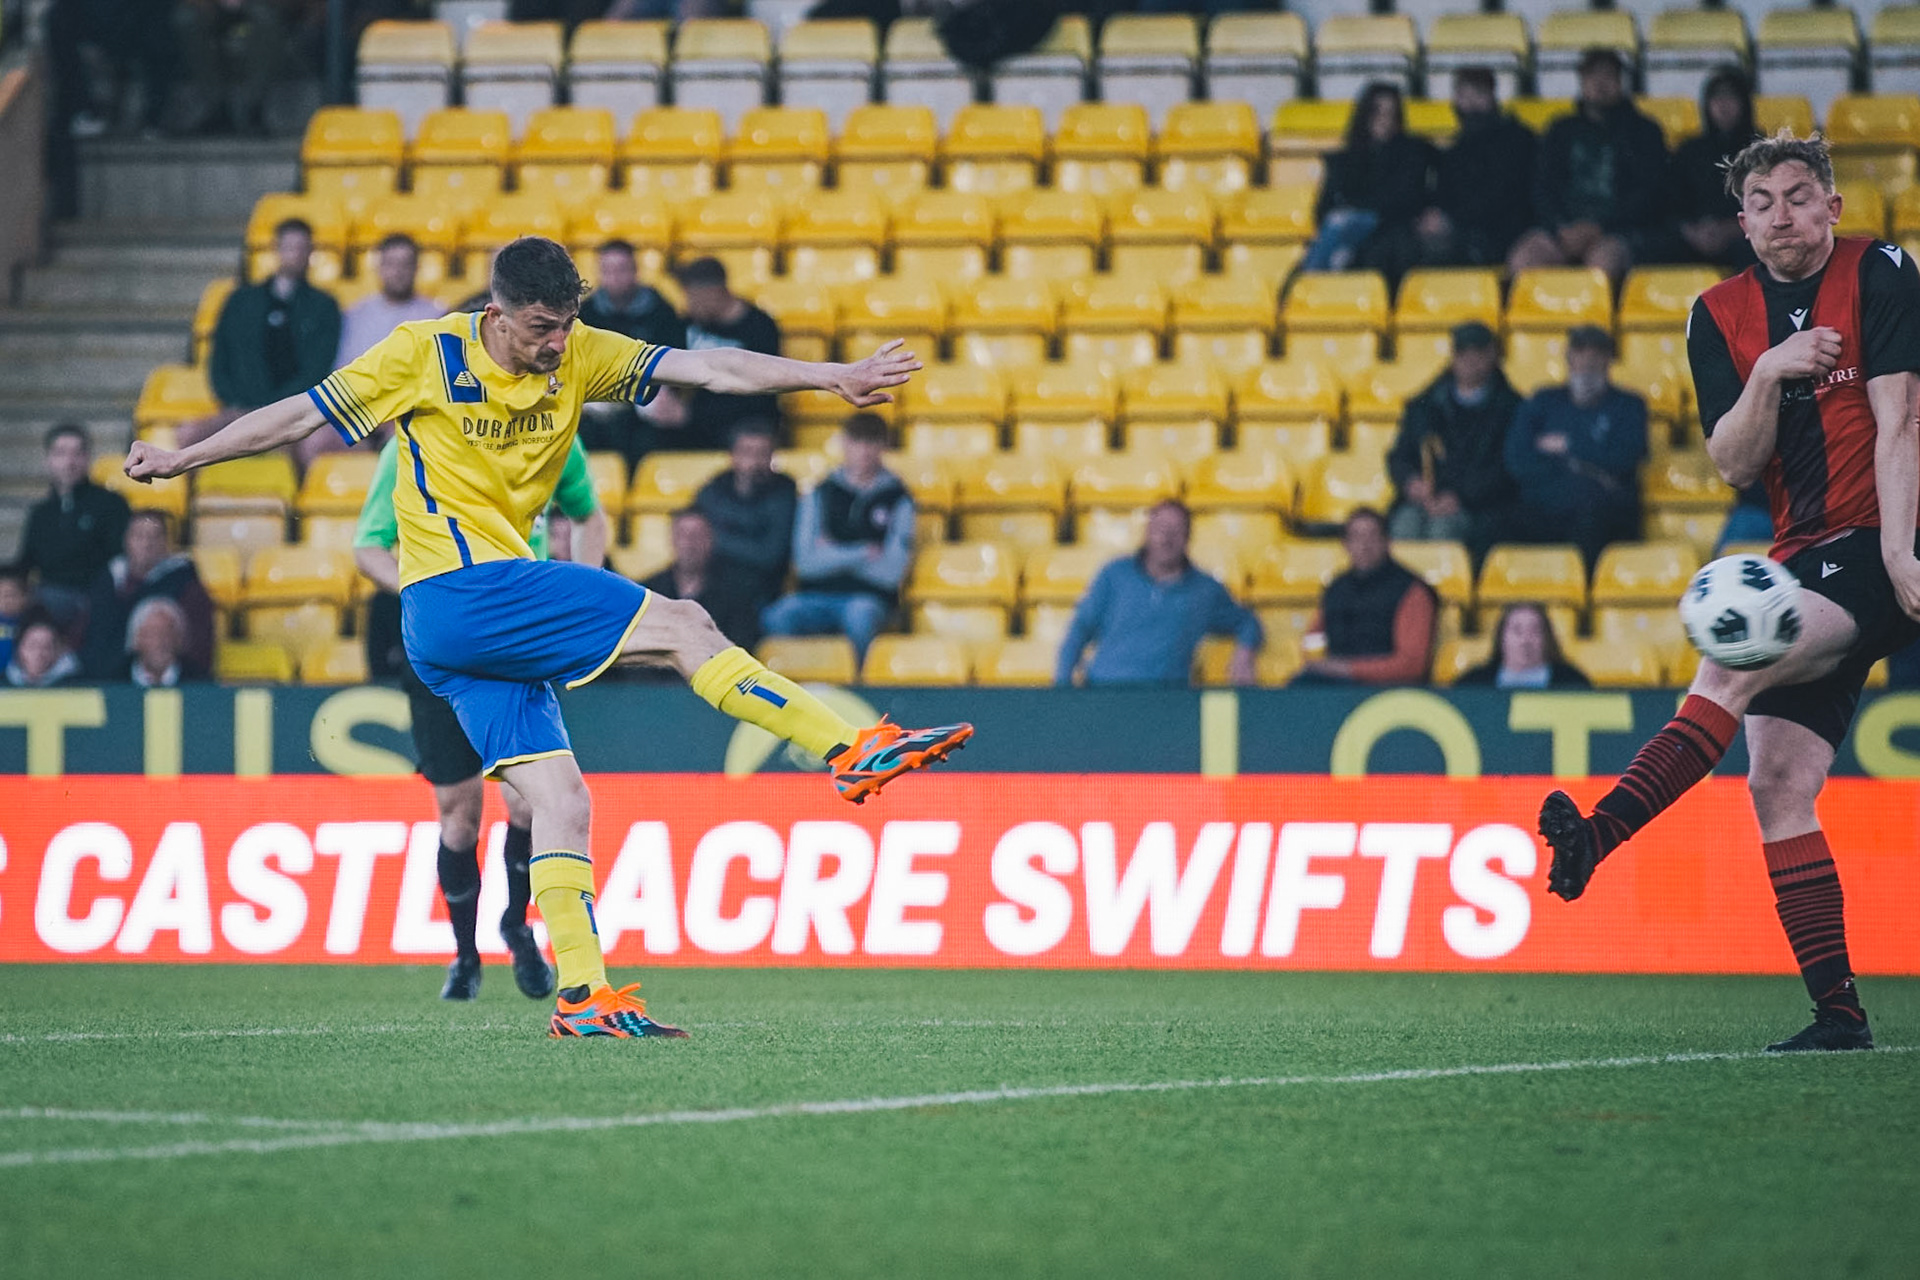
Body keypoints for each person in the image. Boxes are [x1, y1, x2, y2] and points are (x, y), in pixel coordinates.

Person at [128, 234, 973, 1038]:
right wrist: (179, 458)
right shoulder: (422, 353)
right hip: (464, 590)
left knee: (562, 801)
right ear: (497, 315)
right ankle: (848, 748)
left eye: (567, 324)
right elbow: (296, 416)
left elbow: (710, 367)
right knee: (685, 624)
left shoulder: (580, 352)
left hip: (460, 636)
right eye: (541, 328)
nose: (558, 344)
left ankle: (583, 995)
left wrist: (832, 378)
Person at [1536, 132, 1920, 1053]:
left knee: (1731, 663)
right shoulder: (1718, 315)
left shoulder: (1881, 270)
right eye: (1763, 202)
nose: (1782, 215)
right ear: (1742, 223)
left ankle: (1599, 835)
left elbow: (1901, 417)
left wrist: (1902, 552)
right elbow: (1733, 464)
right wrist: (1769, 371)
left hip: (1884, 536)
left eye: (1799, 196)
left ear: (1832, 205)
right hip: (1805, 551)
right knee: (1778, 784)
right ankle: (1840, 1015)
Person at [354, 431, 606, 1002]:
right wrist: (427, 591)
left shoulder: (553, 430)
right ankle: (466, 954)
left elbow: (589, 514)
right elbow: (369, 545)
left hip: (517, 639)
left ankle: (516, 924)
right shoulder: (415, 441)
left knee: (530, 802)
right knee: (459, 818)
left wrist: (582, 589)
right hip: (441, 642)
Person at [1055, 499, 1262, 686]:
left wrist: (1244, 653)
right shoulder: (1115, 574)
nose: (1166, 538)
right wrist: (1063, 687)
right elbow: (1080, 628)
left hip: (1166, 701)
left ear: (1188, 537)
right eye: (1159, 529)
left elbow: (1247, 622)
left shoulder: (1205, 590)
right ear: (1147, 532)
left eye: (1176, 531)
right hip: (1105, 692)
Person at [760, 412, 914, 662]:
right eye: (856, 441)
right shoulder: (820, 493)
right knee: (779, 615)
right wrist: (864, 552)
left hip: (870, 598)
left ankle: (862, 682)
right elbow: (805, 564)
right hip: (815, 595)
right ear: (844, 443)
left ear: (884, 446)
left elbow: (891, 572)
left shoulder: (899, 499)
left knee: (859, 616)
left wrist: (830, 551)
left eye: (871, 442)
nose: (863, 451)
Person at [1509, 48, 1668, 288]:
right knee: (1524, 260)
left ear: (1620, 82)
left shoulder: (1644, 131)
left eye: (1608, 75)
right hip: (1562, 230)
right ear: (1582, 81)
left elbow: (1650, 193)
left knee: (1602, 265)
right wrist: (1560, 228)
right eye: (1592, 75)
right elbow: (1542, 187)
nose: (1600, 83)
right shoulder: (1560, 130)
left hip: (1618, 230)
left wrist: (1600, 228)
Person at [182, 217, 341, 447]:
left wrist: (279, 407)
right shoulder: (240, 301)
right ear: (277, 249)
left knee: (312, 443)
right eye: (289, 247)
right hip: (240, 410)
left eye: (301, 248)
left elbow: (319, 366)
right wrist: (235, 402)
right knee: (188, 435)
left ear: (310, 252)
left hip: (293, 415)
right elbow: (219, 359)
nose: (295, 254)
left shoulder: (324, 306)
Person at [1504, 325, 1650, 568]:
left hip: (1602, 511)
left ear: (1608, 359)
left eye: (1596, 353)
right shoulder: (1543, 401)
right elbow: (1517, 457)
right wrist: (1588, 458)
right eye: (1580, 351)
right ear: (1569, 356)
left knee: (1591, 515)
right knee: (1502, 520)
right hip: (1545, 503)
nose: (1587, 360)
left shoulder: (1629, 405)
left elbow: (1626, 458)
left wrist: (1568, 445)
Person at [1385, 321, 1522, 556]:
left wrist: (1460, 497)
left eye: (1478, 352)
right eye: (1463, 352)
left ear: (1493, 355)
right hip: (1422, 502)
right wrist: (1411, 482)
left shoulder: (1512, 408)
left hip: (1480, 508)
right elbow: (1399, 456)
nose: (1470, 360)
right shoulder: (1424, 405)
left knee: (1443, 531)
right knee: (1403, 526)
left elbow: (1507, 468)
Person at [1303, 82, 1438, 287]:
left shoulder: (1411, 152)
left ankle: (1311, 281)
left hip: (1387, 225)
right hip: (1355, 223)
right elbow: (1323, 208)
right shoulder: (1345, 159)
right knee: (1338, 224)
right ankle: (1316, 278)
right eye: (1378, 113)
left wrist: (1358, 206)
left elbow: (1404, 199)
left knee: (1340, 223)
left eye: (1391, 114)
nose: (1384, 120)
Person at [1294, 508, 1437, 686]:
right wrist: (1317, 662)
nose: (1365, 545)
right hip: (1336, 684)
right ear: (1345, 544)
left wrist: (1349, 669)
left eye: (1372, 536)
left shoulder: (1412, 591)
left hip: (1389, 690)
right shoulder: (1336, 588)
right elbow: (1313, 640)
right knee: (1299, 686)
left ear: (1387, 542)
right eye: (1356, 537)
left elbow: (1411, 665)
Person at [578, 239, 689, 468]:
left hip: (648, 398)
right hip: (600, 399)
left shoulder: (661, 311)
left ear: (635, 270)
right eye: (608, 270)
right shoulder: (586, 313)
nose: (615, 277)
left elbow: (676, 358)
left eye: (622, 269)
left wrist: (666, 392)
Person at [11, 423, 131, 631]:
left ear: (88, 458)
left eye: (77, 453)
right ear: (48, 460)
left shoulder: (111, 504)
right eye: (60, 453)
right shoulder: (40, 513)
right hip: (48, 600)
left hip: (98, 598)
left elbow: (122, 561)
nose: (69, 462)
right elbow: (25, 563)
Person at [1419, 66, 1537, 269]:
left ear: (1492, 96)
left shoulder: (1517, 139)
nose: (1470, 103)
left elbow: (1507, 195)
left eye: (1478, 94)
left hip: (1507, 234)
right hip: (1466, 232)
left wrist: (1451, 220)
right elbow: (1445, 193)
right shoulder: (1456, 149)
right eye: (1464, 95)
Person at [80, 510, 216, 680]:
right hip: (104, 681)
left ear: (166, 542)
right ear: (126, 540)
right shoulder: (106, 581)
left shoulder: (186, 584)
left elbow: (198, 645)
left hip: (168, 682)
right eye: (139, 535)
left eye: (155, 536)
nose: (146, 543)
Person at [691, 420, 798, 619]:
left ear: (772, 456)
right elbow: (695, 545)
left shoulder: (784, 491)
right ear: (732, 455)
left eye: (762, 453)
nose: (754, 461)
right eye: (747, 452)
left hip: (764, 592)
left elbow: (771, 555)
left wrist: (715, 539)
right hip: (712, 589)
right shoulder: (713, 489)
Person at [676, 256, 784, 450]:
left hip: (743, 422)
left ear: (714, 292)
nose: (688, 304)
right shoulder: (689, 323)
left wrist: (691, 415)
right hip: (696, 423)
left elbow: (760, 393)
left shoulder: (760, 327)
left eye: (692, 296)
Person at [1666, 66, 1761, 272]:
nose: (1723, 105)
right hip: (1696, 237)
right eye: (1717, 98)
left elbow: (1769, 207)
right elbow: (1672, 204)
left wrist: (1731, 229)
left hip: (1744, 236)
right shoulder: (1689, 151)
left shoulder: (1762, 151)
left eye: (1730, 97)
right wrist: (1692, 231)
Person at [640, 509, 766, 652]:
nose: (690, 544)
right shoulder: (650, 592)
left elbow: (743, 644)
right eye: (683, 535)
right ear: (672, 540)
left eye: (697, 536)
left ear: (711, 540)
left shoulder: (737, 592)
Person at [1453, 603, 1590, 689]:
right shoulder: (1473, 683)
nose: (1525, 640)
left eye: (1534, 631)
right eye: (1517, 631)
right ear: (1502, 637)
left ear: (1547, 638)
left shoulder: (1572, 682)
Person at [121, 596, 202, 688]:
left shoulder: (200, 682)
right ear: (135, 640)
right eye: (151, 634)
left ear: (179, 639)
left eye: (166, 634)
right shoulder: (114, 680)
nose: (159, 643)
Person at [6, 615, 82, 688]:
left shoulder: (77, 685)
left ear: (59, 652)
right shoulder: (4, 684)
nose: (38, 654)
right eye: (32, 646)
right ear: (19, 649)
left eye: (47, 647)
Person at [0, 570, 31, 672]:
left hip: (20, 677)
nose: (4, 600)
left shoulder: (32, 623)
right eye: (0, 595)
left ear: (24, 597)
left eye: (10, 595)